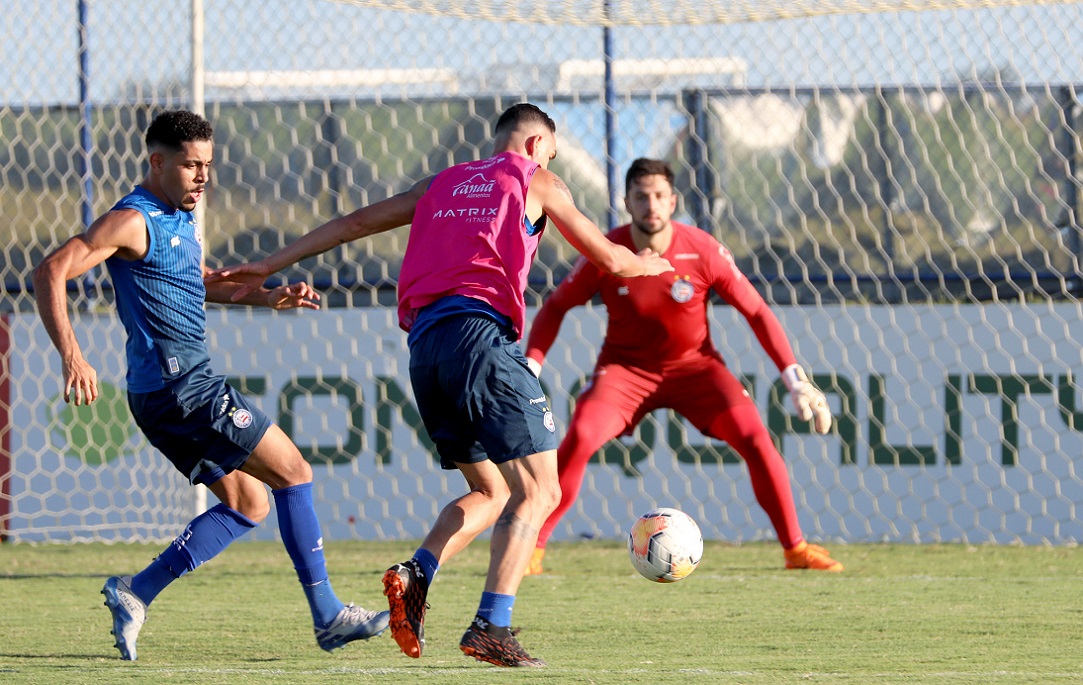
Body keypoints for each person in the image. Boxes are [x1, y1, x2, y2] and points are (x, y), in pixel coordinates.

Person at [207, 103, 673, 667]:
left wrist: (270, 263)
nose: (552, 162)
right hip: (479, 340)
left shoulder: (441, 183)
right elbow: (612, 261)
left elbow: (354, 223)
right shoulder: (537, 180)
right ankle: (491, 627)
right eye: (551, 151)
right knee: (541, 491)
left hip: (425, 350)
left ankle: (416, 574)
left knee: (492, 491)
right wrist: (654, 263)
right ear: (533, 146)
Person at [31, 110, 389, 661]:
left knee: (248, 504)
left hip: (160, 398)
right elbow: (51, 269)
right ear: (157, 162)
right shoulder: (132, 219)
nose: (203, 176)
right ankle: (328, 616)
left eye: (208, 165)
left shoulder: (180, 221)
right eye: (191, 165)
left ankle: (136, 590)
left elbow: (193, 285)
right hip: (185, 388)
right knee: (294, 473)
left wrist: (268, 298)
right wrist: (72, 355)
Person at [522, 158, 842, 576]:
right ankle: (533, 551)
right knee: (580, 437)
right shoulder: (607, 250)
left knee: (757, 439)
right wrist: (531, 366)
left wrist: (794, 378)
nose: (650, 205)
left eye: (658, 196)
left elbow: (757, 311)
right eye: (641, 196)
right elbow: (557, 306)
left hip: (696, 371)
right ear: (627, 202)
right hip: (625, 373)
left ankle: (795, 550)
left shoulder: (703, 249)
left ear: (673, 201)